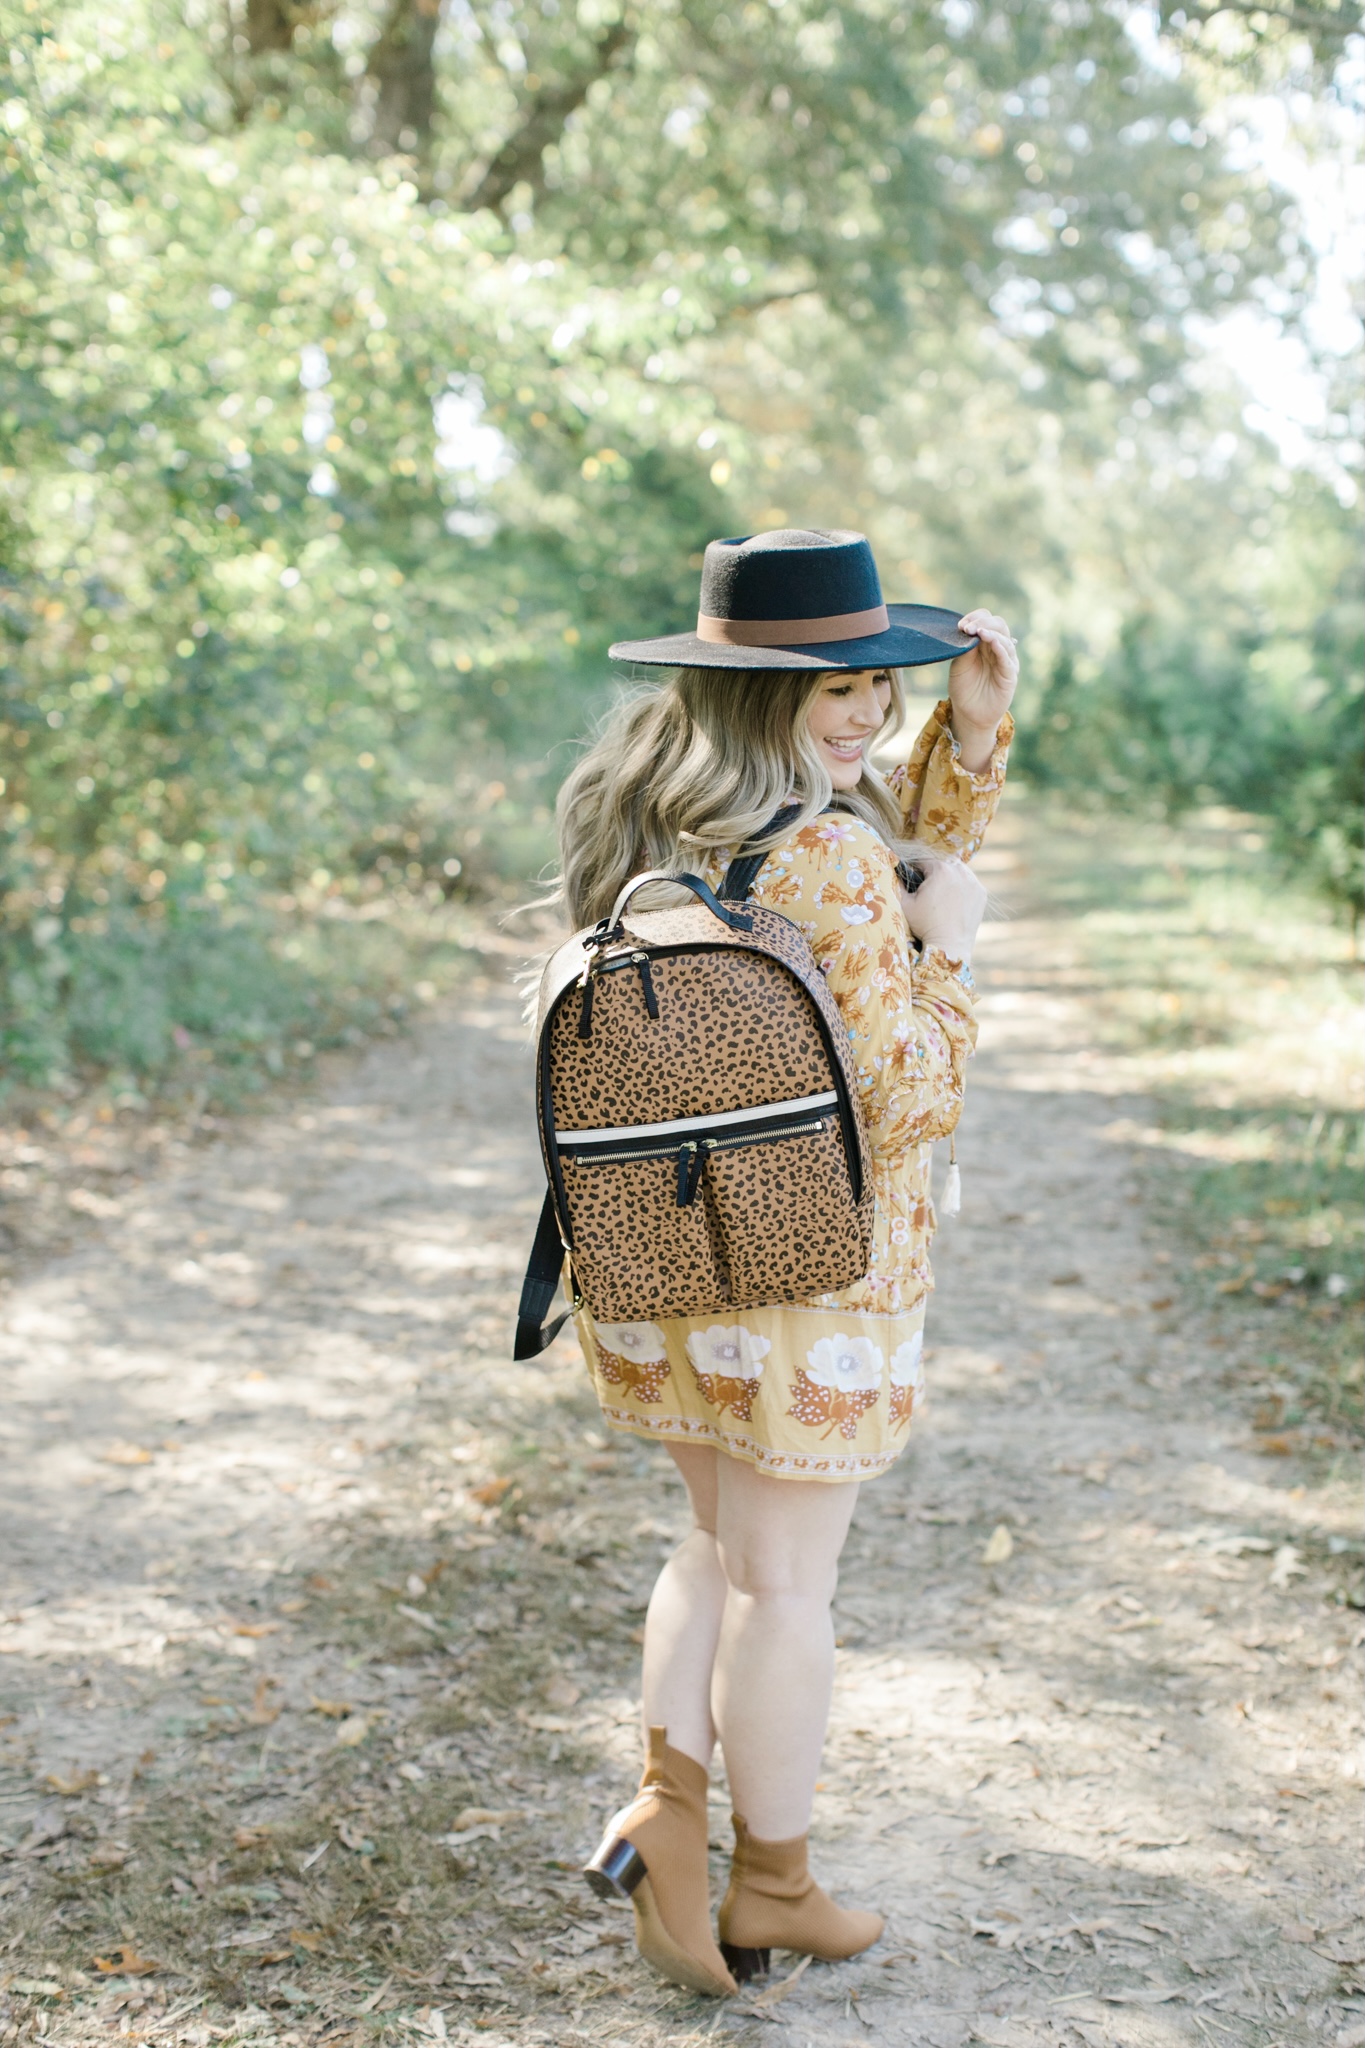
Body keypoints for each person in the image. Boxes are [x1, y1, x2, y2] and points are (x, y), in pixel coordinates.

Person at [553, 528, 1017, 1996]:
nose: (866, 709)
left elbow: (892, 850)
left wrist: (974, 737)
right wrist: (946, 952)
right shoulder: (823, 853)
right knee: (788, 1589)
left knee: (715, 1550)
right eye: (833, 687)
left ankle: (665, 1814)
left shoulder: (657, 814)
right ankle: (771, 1884)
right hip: (814, 1275)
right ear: (754, 691)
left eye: (878, 682)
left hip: (675, 1251)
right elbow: (909, 1085)